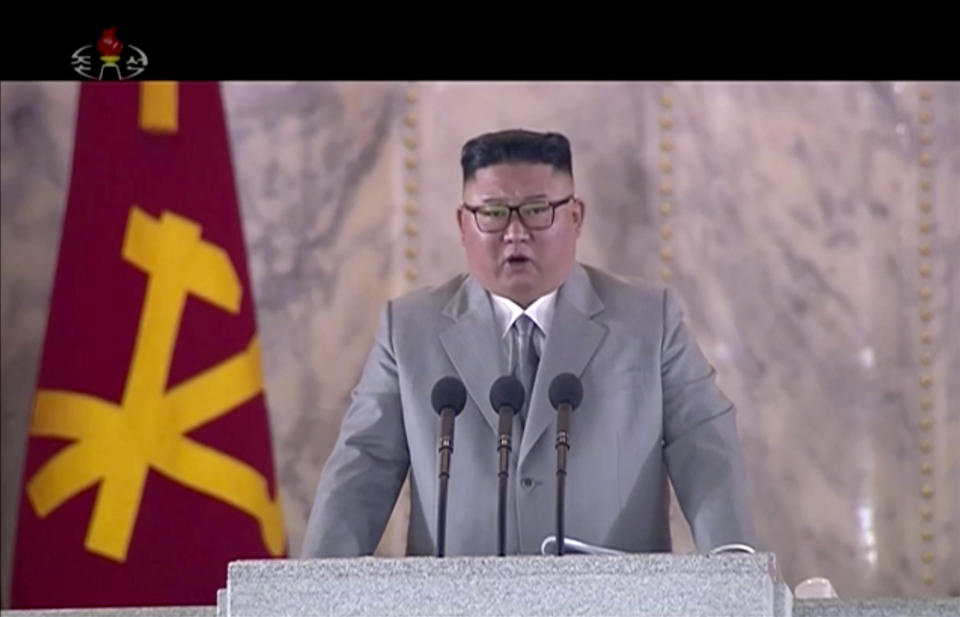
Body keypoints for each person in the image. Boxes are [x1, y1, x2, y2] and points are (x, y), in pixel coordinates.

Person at [301, 129, 755, 557]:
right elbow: (363, 465)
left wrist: (733, 565)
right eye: (493, 213)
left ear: (576, 217)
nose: (515, 233)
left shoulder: (648, 321)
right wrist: (315, 590)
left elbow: (705, 445)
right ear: (463, 224)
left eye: (538, 210)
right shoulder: (408, 330)